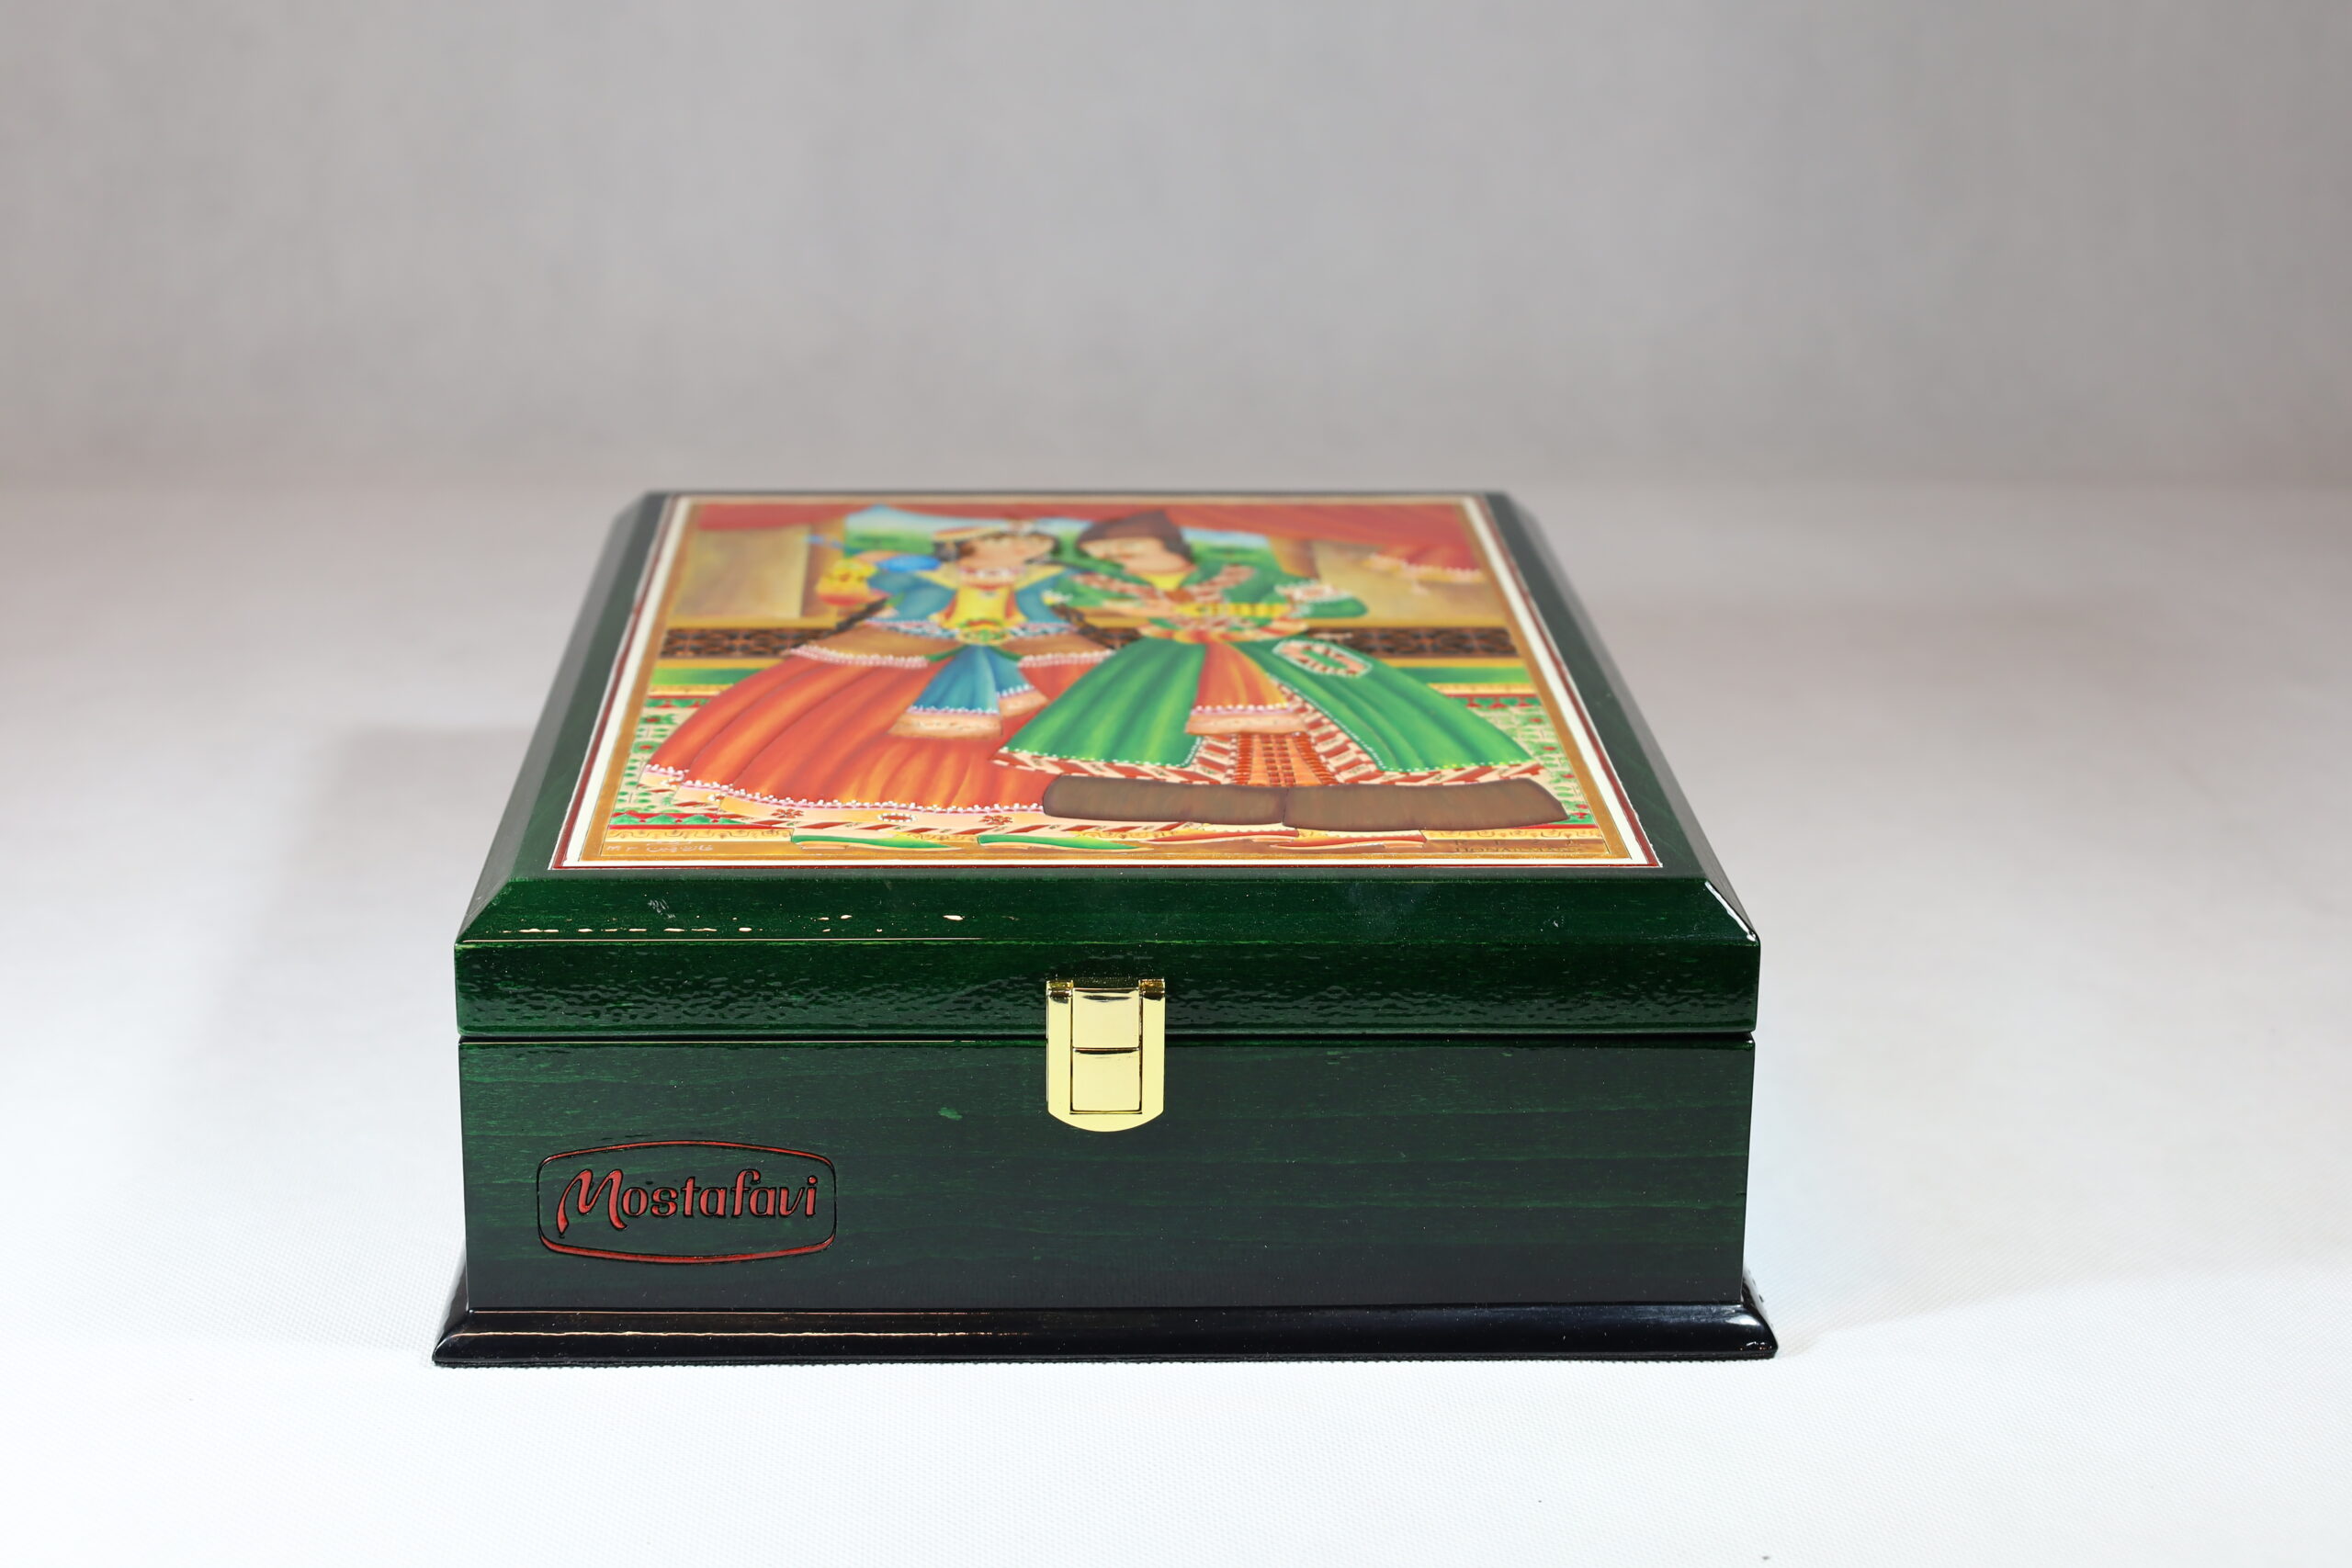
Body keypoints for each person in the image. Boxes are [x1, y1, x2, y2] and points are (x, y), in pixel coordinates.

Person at [995, 511, 1566, 831]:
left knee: (1348, 720)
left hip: (1271, 653)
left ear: (1166, 543)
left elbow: (1340, 604)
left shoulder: (1242, 574)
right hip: (1169, 660)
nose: (1119, 560)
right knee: (1145, 729)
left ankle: (1354, 800)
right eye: (1110, 555)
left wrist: (1269, 617)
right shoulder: (1103, 586)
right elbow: (1066, 606)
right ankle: (1206, 800)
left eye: (1129, 549)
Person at [640, 522, 1105, 819]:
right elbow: (852, 588)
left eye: (1026, 545)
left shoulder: (1043, 579)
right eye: (1001, 542)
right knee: (843, 712)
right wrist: (865, 565)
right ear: (967, 546)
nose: (1019, 551)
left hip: (1029, 642)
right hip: (916, 640)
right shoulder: (924, 576)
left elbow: (1093, 593)